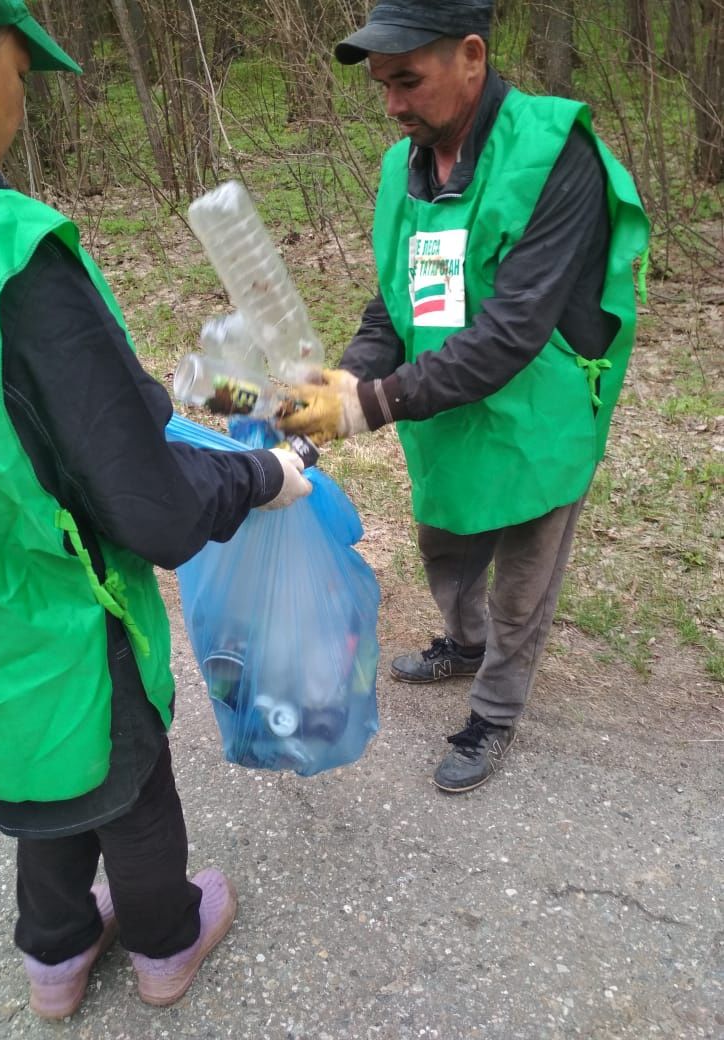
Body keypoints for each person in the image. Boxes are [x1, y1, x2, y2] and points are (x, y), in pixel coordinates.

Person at [0, 0, 312, 1021]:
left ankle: (55, 955)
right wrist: (262, 476)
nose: (26, 99)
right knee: (128, 790)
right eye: (23, 68)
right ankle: (162, 939)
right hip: (61, 619)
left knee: (33, 787)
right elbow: (151, 508)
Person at [279, 0, 649, 794]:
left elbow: (513, 331)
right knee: (445, 545)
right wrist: (347, 376)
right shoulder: (401, 168)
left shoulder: (555, 152)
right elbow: (395, 306)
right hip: (443, 408)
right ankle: (463, 640)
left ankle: (495, 710)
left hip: (536, 415)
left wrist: (368, 406)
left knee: (523, 580)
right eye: (382, 86)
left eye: (407, 80)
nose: (393, 105)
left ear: (473, 57)